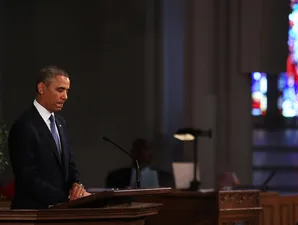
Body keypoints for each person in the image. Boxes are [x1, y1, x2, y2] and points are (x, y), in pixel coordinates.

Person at [8, 66, 90, 209]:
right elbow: (27, 178)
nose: (65, 96)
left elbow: (70, 164)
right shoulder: (24, 126)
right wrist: (66, 198)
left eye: (67, 91)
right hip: (34, 214)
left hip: (61, 212)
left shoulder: (60, 123)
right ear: (41, 88)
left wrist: (77, 185)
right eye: (60, 90)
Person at [106, 138, 175, 189]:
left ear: (152, 153)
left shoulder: (166, 177)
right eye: (138, 148)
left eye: (146, 148)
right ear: (131, 152)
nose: (142, 152)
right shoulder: (115, 177)